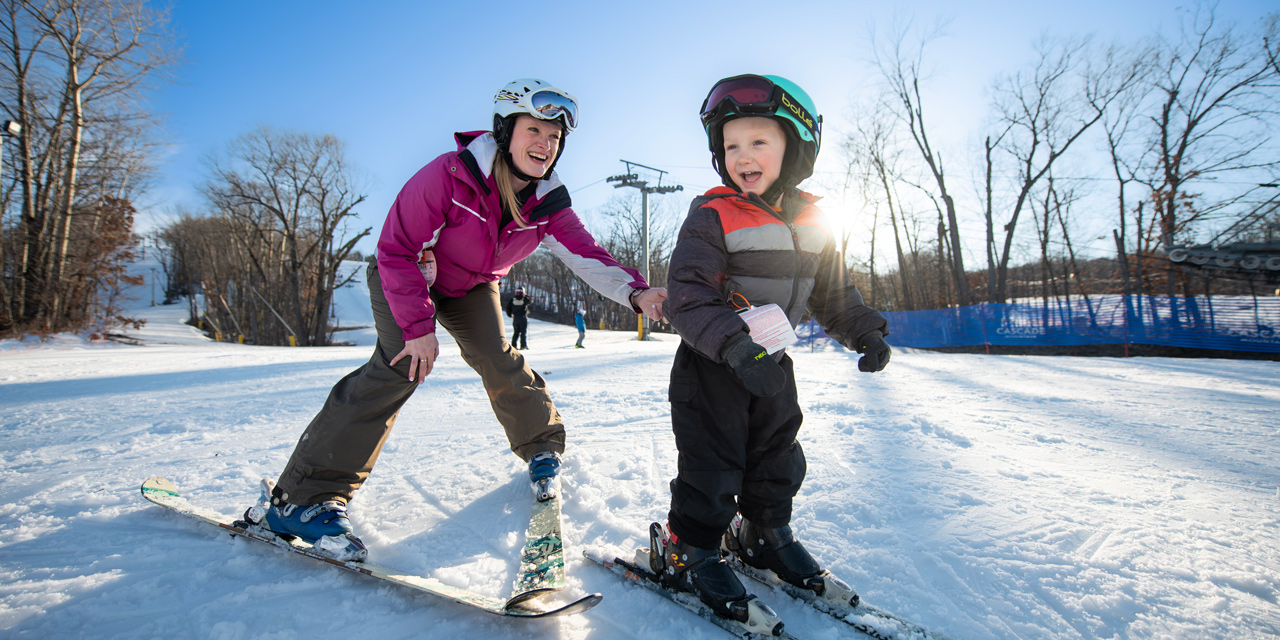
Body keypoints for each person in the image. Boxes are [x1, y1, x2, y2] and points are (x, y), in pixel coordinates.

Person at [257, 78, 668, 560]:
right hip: (408, 273)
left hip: (473, 284)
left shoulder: (547, 202)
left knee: (498, 355)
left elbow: (587, 255)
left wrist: (637, 292)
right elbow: (395, 249)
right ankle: (302, 498)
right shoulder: (450, 177)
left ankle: (540, 447)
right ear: (505, 131)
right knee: (399, 367)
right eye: (534, 130)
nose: (545, 144)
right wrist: (417, 328)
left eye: (555, 137)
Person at [651, 74, 892, 624]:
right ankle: (690, 547)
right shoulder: (712, 213)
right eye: (731, 145)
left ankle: (764, 534)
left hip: (773, 364)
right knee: (712, 463)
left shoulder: (816, 221)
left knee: (777, 457)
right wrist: (733, 347)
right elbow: (689, 293)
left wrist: (865, 330)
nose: (743, 156)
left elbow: (833, 293)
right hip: (714, 364)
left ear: (796, 145)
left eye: (759, 141)